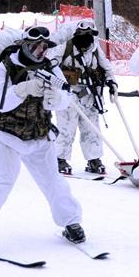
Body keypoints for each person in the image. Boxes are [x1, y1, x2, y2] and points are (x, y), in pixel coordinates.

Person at [0, 26, 86, 252]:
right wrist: (24, 88)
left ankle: (71, 222)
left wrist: (55, 98)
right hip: (9, 135)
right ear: (24, 45)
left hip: (40, 135)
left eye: (44, 47)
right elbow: (1, 104)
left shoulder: (50, 66)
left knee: (54, 182)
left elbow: (66, 98)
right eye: (35, 46)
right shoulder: (6, 67)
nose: (41, 51)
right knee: (1, 182)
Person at [53, 19, 118, 175]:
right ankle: (60, 159)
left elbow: (107, 68)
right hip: (68, 96)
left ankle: (94, 159)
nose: (86, 37)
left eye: (89, 34)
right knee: (66, 129)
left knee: (92, 129)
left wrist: (112, 83)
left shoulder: (95, 49)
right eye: (82, 34)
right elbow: (51, 65)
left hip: (90, 96)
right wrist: (62, 81)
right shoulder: (66, 48)